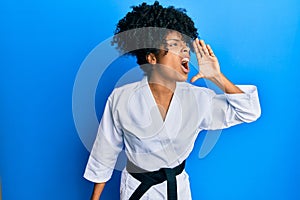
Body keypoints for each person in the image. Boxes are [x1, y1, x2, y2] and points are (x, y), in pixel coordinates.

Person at [84, 1, 261, 200]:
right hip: (137, 189)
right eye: (175, 46)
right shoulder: (122, 98)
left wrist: (216, 77)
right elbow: (105, 152)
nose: (185, 51)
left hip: (178, 189)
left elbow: (249, 111)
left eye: (186, 47)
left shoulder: (198, 99)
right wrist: (95, 198)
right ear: (152, 58)